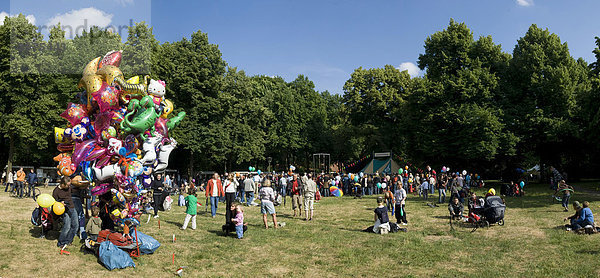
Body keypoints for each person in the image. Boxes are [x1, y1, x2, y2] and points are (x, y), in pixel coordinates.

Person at [53, 176, 78, 248]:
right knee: (67, 226)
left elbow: (75, 190)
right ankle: (61, 242)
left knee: (75, 225)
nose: (69, 186)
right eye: (68, 185)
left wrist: (83, 186)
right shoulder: (56, 191)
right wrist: (60, 203)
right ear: (63, 184)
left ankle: (68, 241)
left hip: (72, 208)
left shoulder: (68, 188)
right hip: (64, 210)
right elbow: (54, 202)